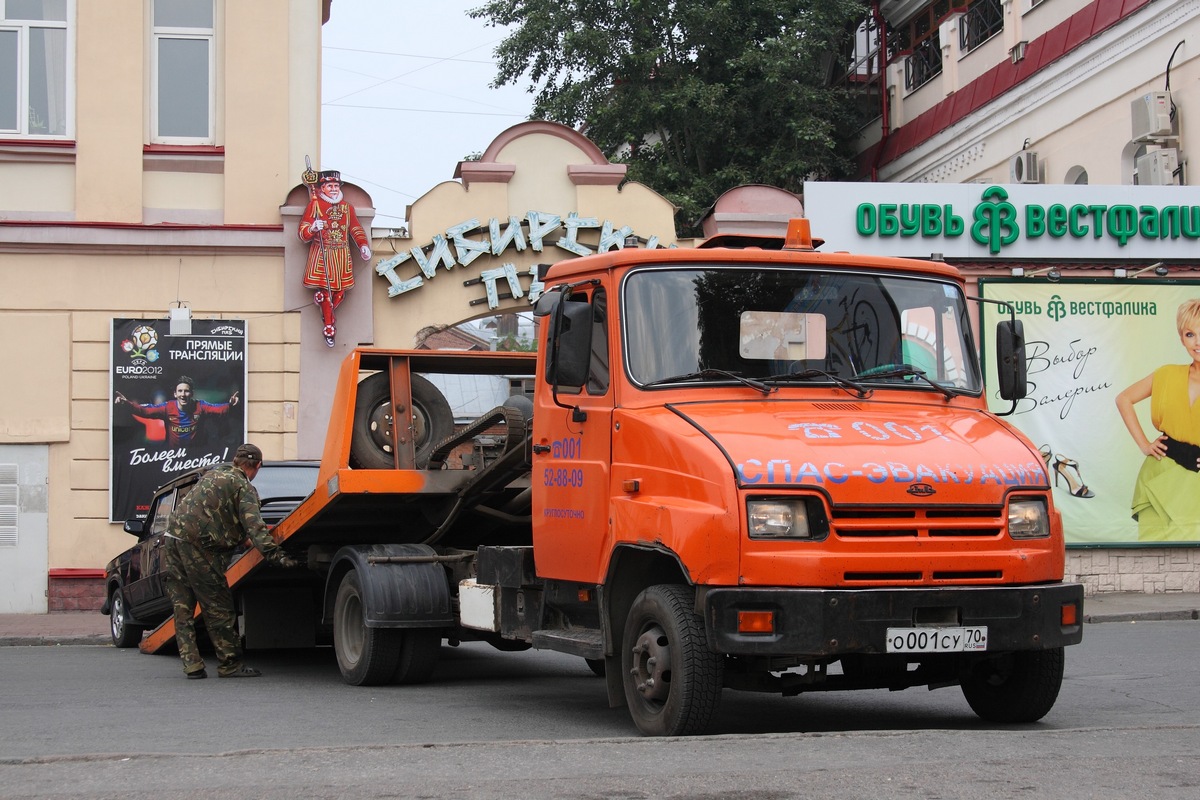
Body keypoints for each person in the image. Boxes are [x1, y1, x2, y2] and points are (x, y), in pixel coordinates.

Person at [164, 443, 301, 679]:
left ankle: (192, 665)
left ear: (236, 460)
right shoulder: (243, 487)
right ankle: (230, 665)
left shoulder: (213, 474)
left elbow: (216, 517)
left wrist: (241, 541)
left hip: (172, 539)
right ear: (257, 466)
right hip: (198, 547)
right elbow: (256, 529)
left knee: (182, 606)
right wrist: (279, 557)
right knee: (217, 606)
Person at [1115, 298, 1200, 541]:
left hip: (1195, 485)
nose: (1198, 342)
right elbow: (1124, 399)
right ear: (1181, 338)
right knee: (1155, 555)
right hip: (1159, 474)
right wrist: (1144, 444)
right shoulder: (1166, 374)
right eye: (1190, 334)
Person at [298, 169, 372, 347]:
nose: (333, 188)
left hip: (342, 254)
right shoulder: (314, 206)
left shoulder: (347, 207)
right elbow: (302, 232)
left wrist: (362, 245)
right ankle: (329, 327)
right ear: (322, 188)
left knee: (340, 293)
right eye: (329, 185)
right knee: (325, 291)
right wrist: (313, 228)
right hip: (322, 254)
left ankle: (325, 306)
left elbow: (355, 228)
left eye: (335, 185)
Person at [115, 375, 238, 447]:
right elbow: (145, 410)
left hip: (195, 455)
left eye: (186, 391)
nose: (183, 395)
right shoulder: (167, 407)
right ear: (175, 393)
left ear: (192, 393)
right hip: (173, 456)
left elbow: (219, 409)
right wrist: (127, 404)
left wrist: (230, 405)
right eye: (180, 391)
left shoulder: (200, 406)